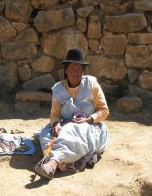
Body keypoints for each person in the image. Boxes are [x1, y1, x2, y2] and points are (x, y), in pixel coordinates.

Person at [34, 48, 109, 180]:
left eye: (79, 69)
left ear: (83, 71)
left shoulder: (91, 84)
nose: (75, 72)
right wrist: (56, 124)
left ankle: (53, 163)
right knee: (46, 134)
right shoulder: (58, 89)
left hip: (89, 126)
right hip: (66, 126)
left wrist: (89, 119)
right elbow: (54, 115)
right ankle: (69, 160)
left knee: (73, 134)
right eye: (72, 68)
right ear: (66, 70)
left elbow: (104, 110)